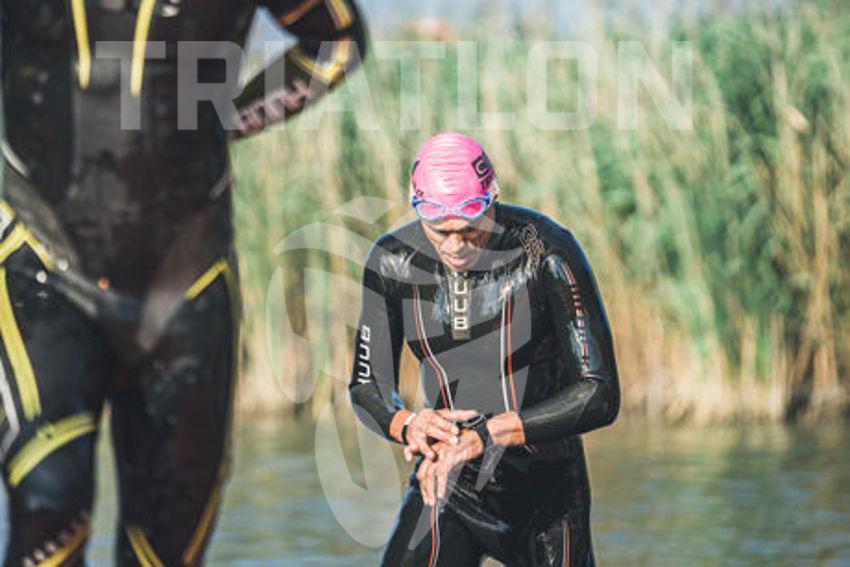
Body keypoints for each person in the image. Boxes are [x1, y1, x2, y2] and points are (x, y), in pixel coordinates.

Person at [0, 0, 366, 563]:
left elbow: (337, 41)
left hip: (187, 275)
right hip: (39, 262)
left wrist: (224, 121)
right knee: (48, 508)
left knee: (167, 546)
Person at [349, 132, 619, 566]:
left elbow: (599, 391)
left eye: (471, 231)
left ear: (492, 201)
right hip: (449, 480)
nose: (456, 246)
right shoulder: (392, 260)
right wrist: (407, 424)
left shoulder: (546, 250)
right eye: (441, 232)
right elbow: (366, 384)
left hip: (546, 492)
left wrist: (488, 435)